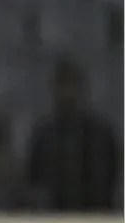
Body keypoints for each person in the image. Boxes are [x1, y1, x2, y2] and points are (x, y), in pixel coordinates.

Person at [26, 57, 120, 212]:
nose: (67, 93)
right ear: (54, 89)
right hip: (52, 217)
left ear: (82, 89)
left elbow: (111, 178)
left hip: (95, 216)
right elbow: (34, 182)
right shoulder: (43, 136)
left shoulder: (102, 134)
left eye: (72, 85)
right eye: (63, 86)